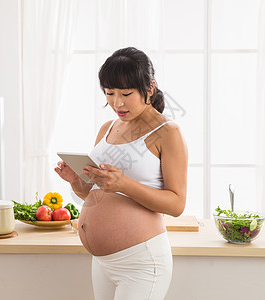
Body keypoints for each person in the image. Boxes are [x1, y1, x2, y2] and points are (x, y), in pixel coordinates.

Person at [54, 47, 188, 300]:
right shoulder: (108, 127)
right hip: (103, 263)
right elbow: (93, 194)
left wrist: (123, 183)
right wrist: (76, 182)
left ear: (149, 88)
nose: (117, 103)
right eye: (110, 93)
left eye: (126, 93)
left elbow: (177, 204)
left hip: (141, 262)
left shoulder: (168, 132)